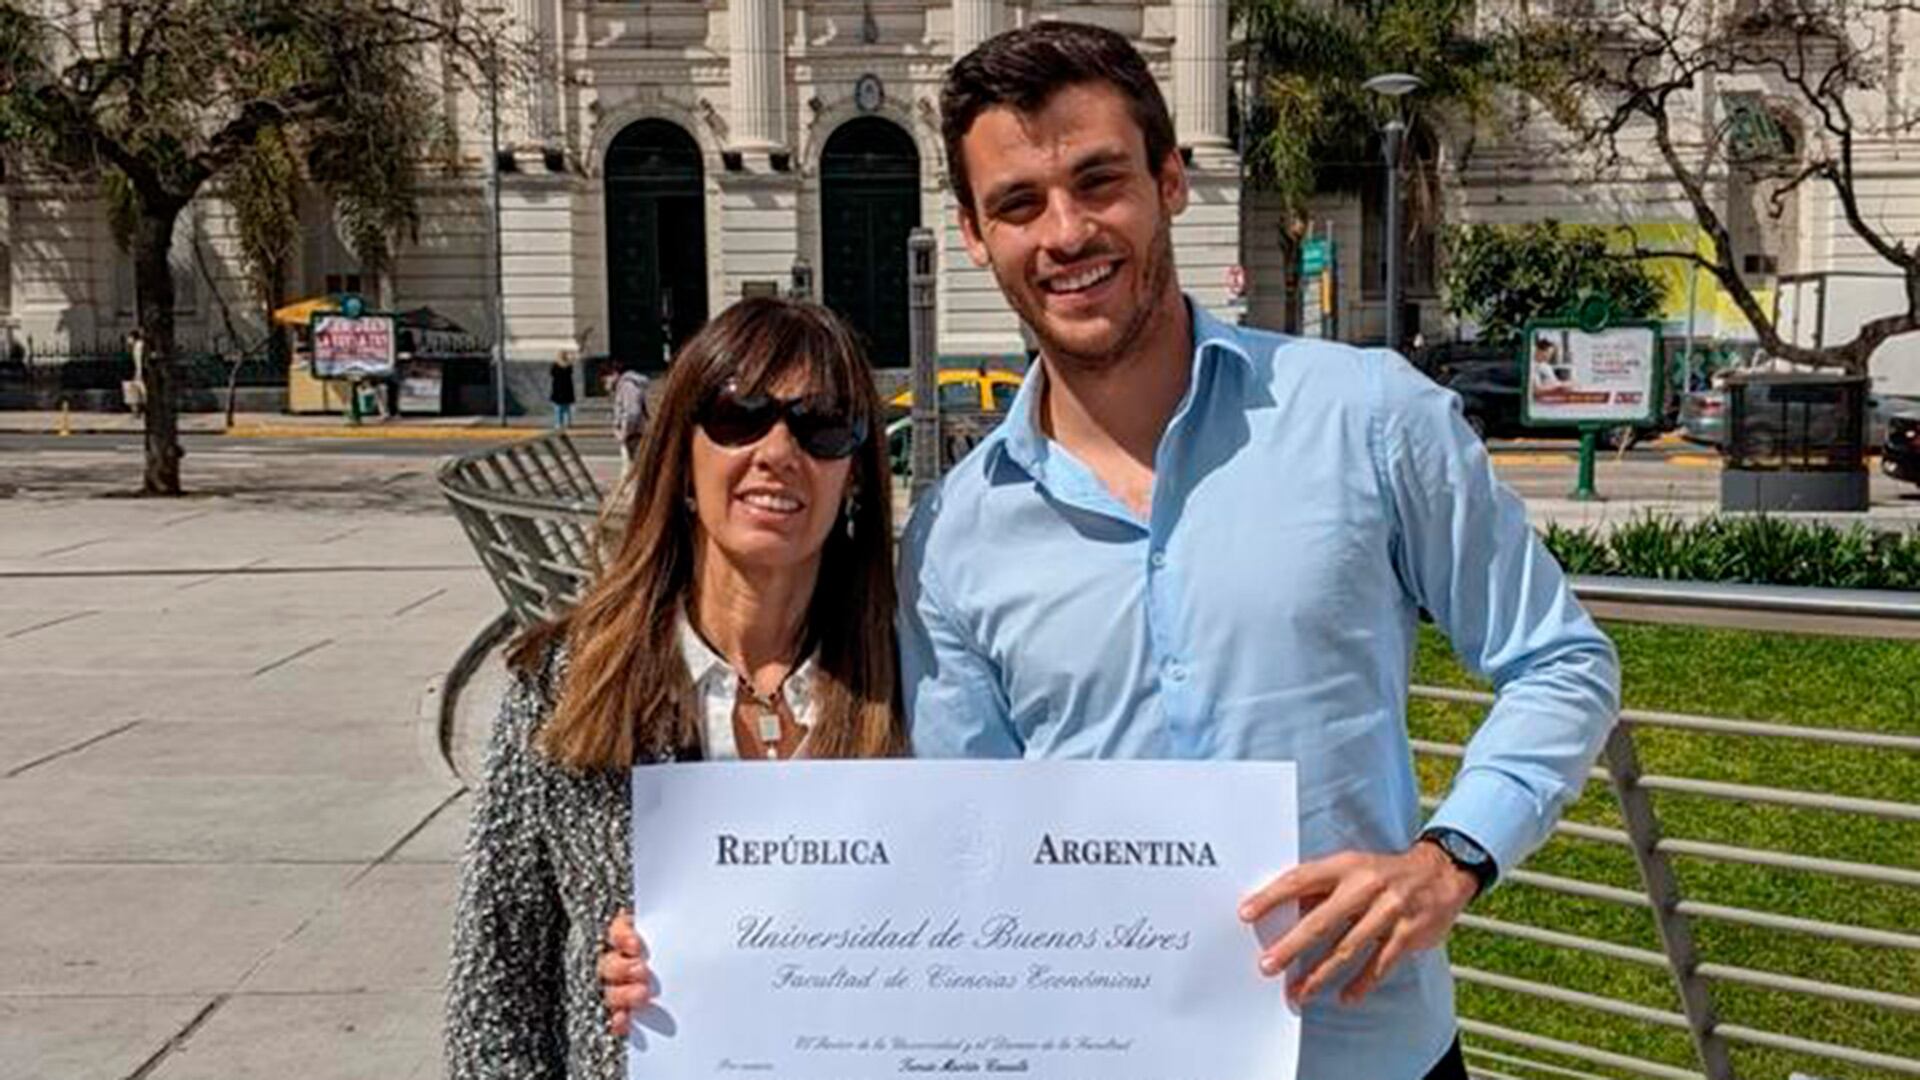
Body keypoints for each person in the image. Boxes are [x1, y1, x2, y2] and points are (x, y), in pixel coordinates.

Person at [896, 22, 1619, 1080]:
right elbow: (974, 837)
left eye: (1099, 181)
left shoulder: (1368, 416)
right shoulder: (953, 533)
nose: (1066, 232)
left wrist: (1451, 857)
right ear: (972, 234)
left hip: (1369, 1052)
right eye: (1018, 204)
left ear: (1170, 181)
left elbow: (1559, 659)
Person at [445, 297, 903, 1080]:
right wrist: (612, 999)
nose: (777, 450)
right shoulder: (565, 686)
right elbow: (496, 998)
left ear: (854, 474)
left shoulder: (917, 685)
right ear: (681, 460)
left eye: (822, 425)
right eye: (737, 416)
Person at [611, 358, 653, 469]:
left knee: (631, 468)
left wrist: (625, 433)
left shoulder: (627, 386)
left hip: (633, 435)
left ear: (615, 373)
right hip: (637, 432)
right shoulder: (631, 384)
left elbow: (633, 412)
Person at [550, 349, 578, 429]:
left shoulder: (555, 365)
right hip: (567, 389)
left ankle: (559, 423)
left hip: (558, 389)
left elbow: (552, 374)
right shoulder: (568, 366)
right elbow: (570, 373)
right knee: (566, 408)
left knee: (558, 408)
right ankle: (567, 423)